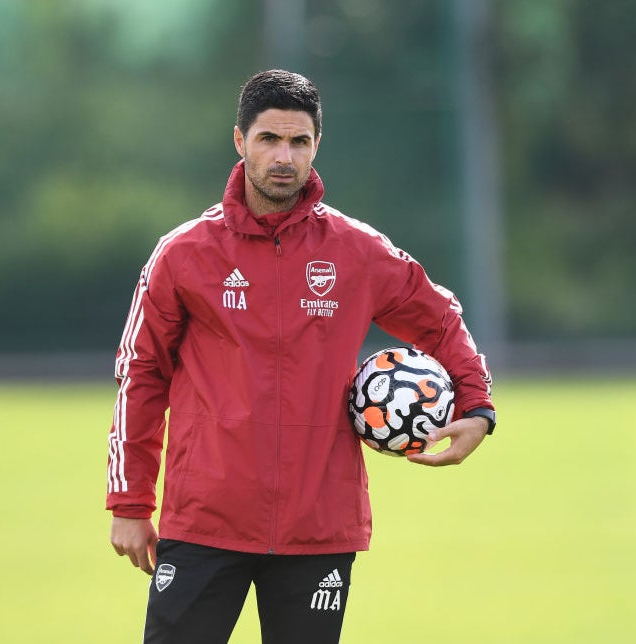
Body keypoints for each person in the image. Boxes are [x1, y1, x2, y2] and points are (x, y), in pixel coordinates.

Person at [107, 69, 496, 644]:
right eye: (269, 139)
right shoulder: (182, 254)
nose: (283, 156)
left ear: (318, 145)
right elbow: (140, 376)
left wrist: (477, 406)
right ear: (240, 142)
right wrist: (131, 501)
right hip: (206, 520)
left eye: (299, 141)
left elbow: (440, 318)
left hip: (319, 526)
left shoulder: (358, 251)